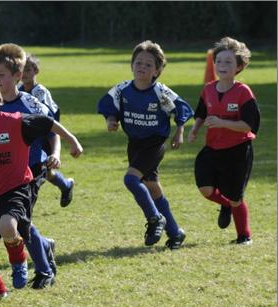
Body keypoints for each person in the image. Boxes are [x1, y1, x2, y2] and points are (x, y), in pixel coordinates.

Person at [0, 74, 83, 299]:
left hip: (17, 188)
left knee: (7, 225)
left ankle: (19, 261)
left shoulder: (15, 122)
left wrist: (73, 140)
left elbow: (48, 123)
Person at [97, 40, 193, 249]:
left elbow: (180, 109)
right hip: (135, 144)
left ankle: (155, 218)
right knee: (152, 188)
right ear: (132, 65)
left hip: (154, 143)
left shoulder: (160, 93)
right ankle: (175, 233)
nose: (142, 67)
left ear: (157, 71)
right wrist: (110, 120)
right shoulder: (122, 90)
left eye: (148, 64)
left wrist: (179, 132)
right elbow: (109, 106)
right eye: (138, 62)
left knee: (131, 180)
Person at [0, 43, 64, 289]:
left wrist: (55, 153)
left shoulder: (31, 104)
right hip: (5, 172)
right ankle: (45, 246)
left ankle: (45, 271)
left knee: (20, 221)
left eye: (1, 75)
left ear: (18, 75)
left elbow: (52, 130)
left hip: (33, 169)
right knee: (19, 220)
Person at [188, 37, 260, 245]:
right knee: (205, 189)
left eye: (228, 61)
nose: (222, 65)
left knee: (236, 197)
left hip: (238, 151)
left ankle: (244, 236)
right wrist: (194, 130)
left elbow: (248, 126)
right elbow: (201, 113)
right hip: (212, 148)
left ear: (239, 66)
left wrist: (222, 122)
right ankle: (225, 204)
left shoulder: (243, 92)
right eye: (219, 61)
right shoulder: (208, 89)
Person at [19, 53, 75, 208]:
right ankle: (66, 185)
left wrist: (55, 150)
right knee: (48, 172)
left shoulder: (39, 92)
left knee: (42, 170)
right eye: (21, 70)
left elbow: (48, 121)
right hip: (33, 135)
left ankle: (63, 185)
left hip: (46, 134)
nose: (24, 74)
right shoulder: (19, 89)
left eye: (28, 70)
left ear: (36, 71)